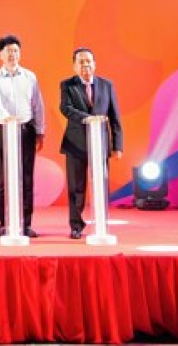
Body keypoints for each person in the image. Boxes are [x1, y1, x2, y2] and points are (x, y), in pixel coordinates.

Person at [59, 47, 123, 240]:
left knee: (101, 185)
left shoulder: (106, 85)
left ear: (94, 64)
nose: (85, 65)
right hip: (75, 144)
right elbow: (66, 108)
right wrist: (87, 118)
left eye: (88, 61)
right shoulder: (67, 85)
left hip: (100, 143)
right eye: (81, 62)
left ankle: (101, 222)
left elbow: (114, 116)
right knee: (76, 188)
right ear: (74, 66)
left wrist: (117, 145)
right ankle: (76, 226)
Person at [0, 35, 45, 238]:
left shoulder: (30, 77)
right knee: (4, 178)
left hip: (26, 129)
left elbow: (37, 105)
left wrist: (40, 130)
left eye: (15, 51)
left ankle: (25, 224)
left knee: (26, 178)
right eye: (8, 51)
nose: (12, 54)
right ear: (0, 55)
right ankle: (4, 224)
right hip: (4, 129)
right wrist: (7, 117)